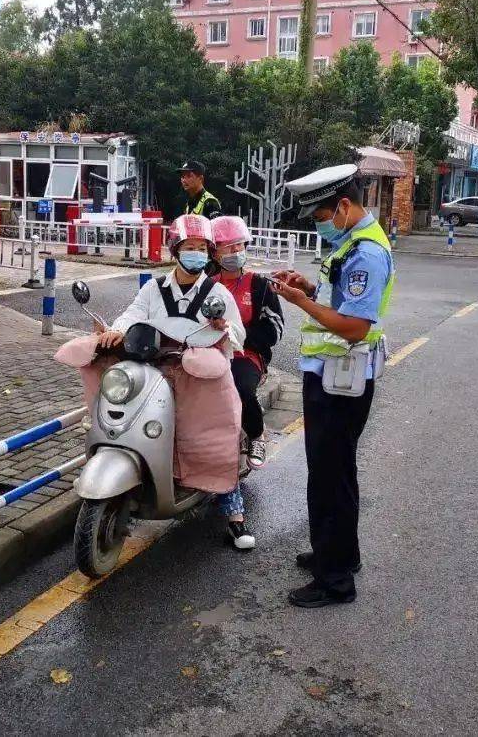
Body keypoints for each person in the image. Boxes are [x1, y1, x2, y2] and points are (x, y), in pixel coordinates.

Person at [271, 164, 394, 608]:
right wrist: (308, 288)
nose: (319, 224)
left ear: (344, 206)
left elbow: (357, 326)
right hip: (335, 375)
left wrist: (302, 302)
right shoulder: (353, 246)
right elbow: (341, 300)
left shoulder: (366, 254)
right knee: (337, 472)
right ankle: (340, 554)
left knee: (328, 476)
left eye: (321, 216)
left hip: (340, 380)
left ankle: (334, 580)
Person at [98, 214, 255, 550]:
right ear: (175, 250)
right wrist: (116, 329)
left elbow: (239, 332)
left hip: (203, 376)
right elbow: (133, 314)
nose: (196, 253)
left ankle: (234, 511)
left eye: (202, 248)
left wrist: (225, 328)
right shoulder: (154, 288)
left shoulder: (217, 292)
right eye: (189, 247)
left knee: (216, 435)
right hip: (158, 370)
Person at [210, 215, 285, 469]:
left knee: (240, 387)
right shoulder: (207, 286)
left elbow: (275, 329)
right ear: (214, 251)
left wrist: (238, 334)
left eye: (239, 245)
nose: (235, 251)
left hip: (247, 355)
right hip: (211, 353)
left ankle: (256, 434)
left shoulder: (260, 286)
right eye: (228, 246)